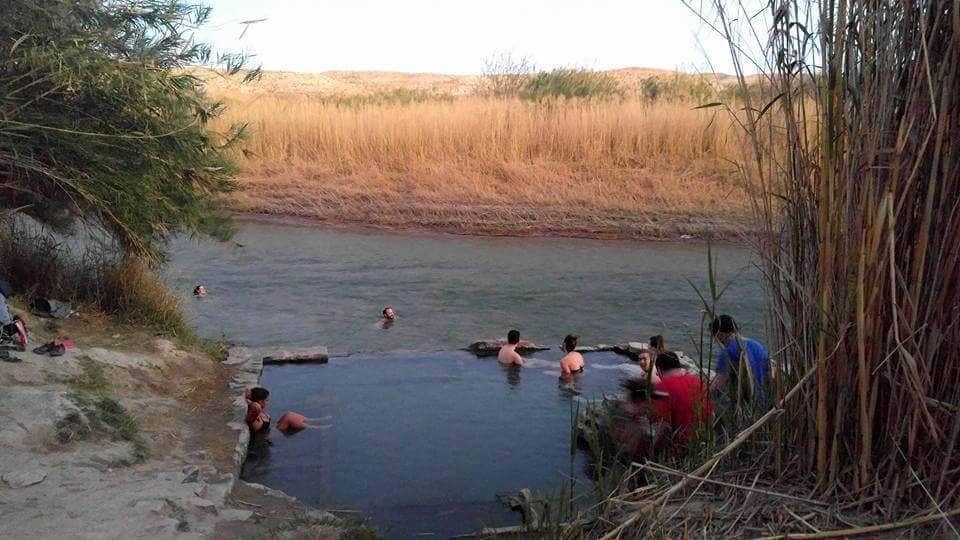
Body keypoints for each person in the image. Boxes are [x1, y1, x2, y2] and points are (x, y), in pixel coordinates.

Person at [652, 351, 714, 446]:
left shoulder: (662, 388)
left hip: (680, 445)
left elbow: (662, 425)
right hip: (704, 442)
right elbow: (712, 415)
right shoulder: (700, 382)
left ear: (659, 370)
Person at [709, 314, 770, 406]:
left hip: (743, 404)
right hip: (762, 402)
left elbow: (718, 383)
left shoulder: (728, 351)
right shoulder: (757, 345)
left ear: (720, 334)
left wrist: (702, 398)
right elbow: (768, 375)